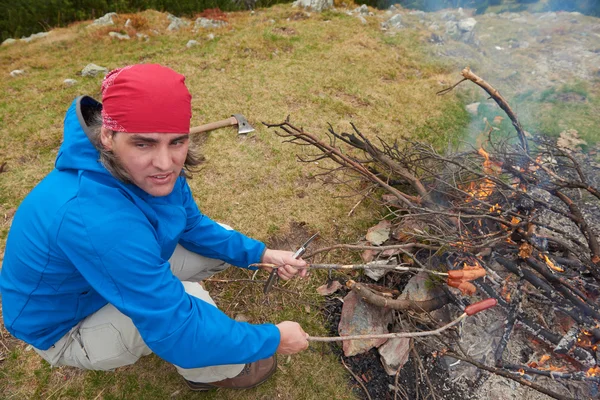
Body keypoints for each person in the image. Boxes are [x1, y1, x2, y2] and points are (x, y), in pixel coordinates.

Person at [0, 63, 310, 391]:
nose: (164, 164)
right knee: (191, 302)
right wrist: (273, 339)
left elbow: (191, 225)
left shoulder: (146, 172)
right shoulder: (96, 218)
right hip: (64, 326)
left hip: (100, 275)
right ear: (108, 135)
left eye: (176, 142)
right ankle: (212, 371)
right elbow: (178, 326)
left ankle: (159, 298)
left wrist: (262, 253)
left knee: (218, 234)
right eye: (144, 144)